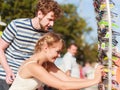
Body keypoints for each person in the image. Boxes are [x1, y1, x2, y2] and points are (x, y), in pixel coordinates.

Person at [0, 0, 62, 90]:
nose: (52, 24)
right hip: (5, 78)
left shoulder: (48, 33)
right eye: (50, 19)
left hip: (27, 81)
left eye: (54, 21)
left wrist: (40, 81)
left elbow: (43, 58)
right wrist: (7, 70)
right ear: (40, 14)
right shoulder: (17, 25)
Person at [9, 32, 103, 90]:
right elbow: (62, 86)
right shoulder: (33, 66)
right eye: (57, 52)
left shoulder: (47, 64)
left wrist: (94, 80)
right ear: (46, 48)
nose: (59, 56)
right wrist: (95, 81)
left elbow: (67, 79)